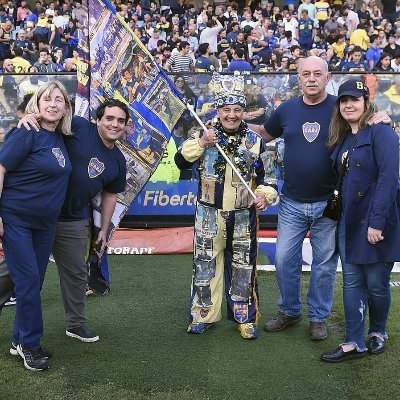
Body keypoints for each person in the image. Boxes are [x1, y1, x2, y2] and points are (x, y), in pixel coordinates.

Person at [248, 56, 390, 341]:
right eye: (305, 74)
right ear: (297, 78)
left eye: (317, 74)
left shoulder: (340, 107)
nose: (311, 78)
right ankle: (289, 310)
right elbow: (263, 134)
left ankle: (318, 317)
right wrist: (236, 123)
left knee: (323, 265)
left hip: (330, 204)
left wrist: (381, 118)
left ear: (327, 78)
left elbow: (366, 122)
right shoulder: (285, 109)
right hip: (291, 202)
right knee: (284, 260)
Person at [174, 73, 278, 340]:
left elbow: (271, 177)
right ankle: (203, 315)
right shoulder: (203, 133)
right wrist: (200, 143)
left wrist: (264, 194)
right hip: (208, 214)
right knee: (205, 264)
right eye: (226, 109)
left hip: (244, 217)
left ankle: (244, 317)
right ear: (218, 110)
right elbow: (180, 162)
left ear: (244, 111)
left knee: (243, 266)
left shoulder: (255, 142)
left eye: (237, 110)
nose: (231, 115)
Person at [18, 99, 128, 344]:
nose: (114, 124)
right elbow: (50, 117)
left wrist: (104, 228)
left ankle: (76, 325)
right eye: (109, 118)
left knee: (76, 274)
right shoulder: (78, 125)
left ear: (126, 126)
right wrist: (28, 118)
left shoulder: (119, 161)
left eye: (120, 121)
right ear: (98, 120)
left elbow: (111, 195)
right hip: (42, 212)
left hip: (74, 219)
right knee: (20, 271)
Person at [321, 79, 400, 363]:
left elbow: (388, 181)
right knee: (352, 282)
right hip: (348, 222)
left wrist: (376, 224)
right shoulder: (344, 138)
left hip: (376, 221)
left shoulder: (382, 133)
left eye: (355, 99)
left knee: (377, 283)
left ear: (366, 102)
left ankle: (378, 332)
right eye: (344, 100)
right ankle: (354, 341)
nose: (349, 104)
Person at [0, 81, 73, 371]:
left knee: (34, 283)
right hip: (17, 219)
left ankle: (19, 340)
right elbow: (1, 167)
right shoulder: (26, 131)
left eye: (59, 100)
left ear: (66, 107)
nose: (53, 104)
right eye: (47, 99)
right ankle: (30, 345)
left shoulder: (62, 137)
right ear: (37, 104)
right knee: (27, 282)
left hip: (45, 225)